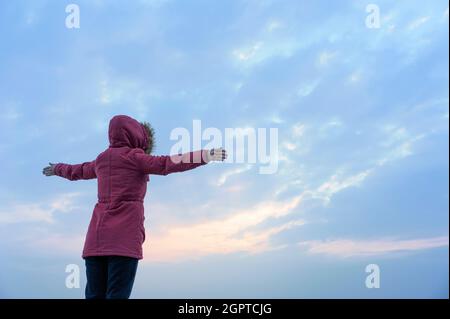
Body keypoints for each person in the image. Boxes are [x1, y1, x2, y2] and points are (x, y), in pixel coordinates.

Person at [42, 115, 227, 299]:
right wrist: (205, 155)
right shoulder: (135, 158)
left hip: (95, 243)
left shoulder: (101, 160)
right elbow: (168, 163)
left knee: (94, 296)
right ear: (135, 134)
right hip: (123, 241)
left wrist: (57, 168)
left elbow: (78, 170)